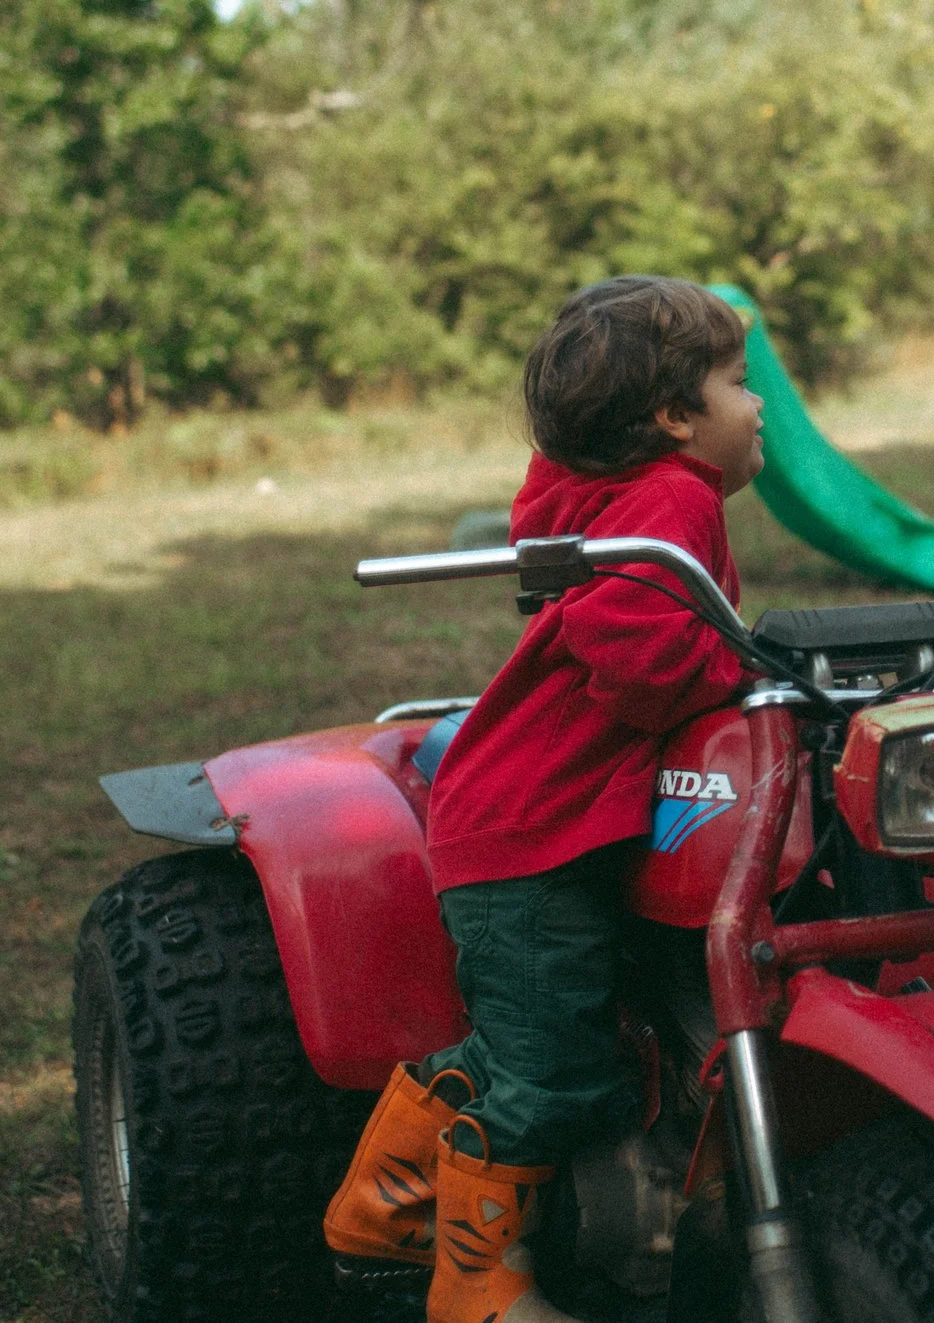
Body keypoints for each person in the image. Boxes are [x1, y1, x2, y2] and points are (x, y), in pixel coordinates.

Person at [321, 276, 765, 1323]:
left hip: (530, 811)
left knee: (531, 1040)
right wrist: (736, 666)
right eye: (739, 384)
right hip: (531, 829)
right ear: (673, 417)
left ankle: (377, 1213)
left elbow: (555, 517)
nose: (758, 406)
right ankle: (479, 1283)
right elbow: (636, 652)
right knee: (555, 1067)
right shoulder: (674, 497)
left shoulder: (608, 490)